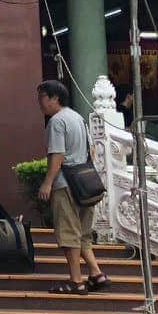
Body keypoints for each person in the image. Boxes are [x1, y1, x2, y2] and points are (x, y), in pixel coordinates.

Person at [37, 79, 110, 295]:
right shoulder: (77, 117)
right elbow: (93, 152)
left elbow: (57, 154)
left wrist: (47, 183)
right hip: (85, 183)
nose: (39, 102)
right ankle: (96, 273)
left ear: (54, 98)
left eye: (42, 97)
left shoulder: (56, 122)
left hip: (65, 183)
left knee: (68, 233)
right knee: (83, 232)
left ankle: (76, 281)